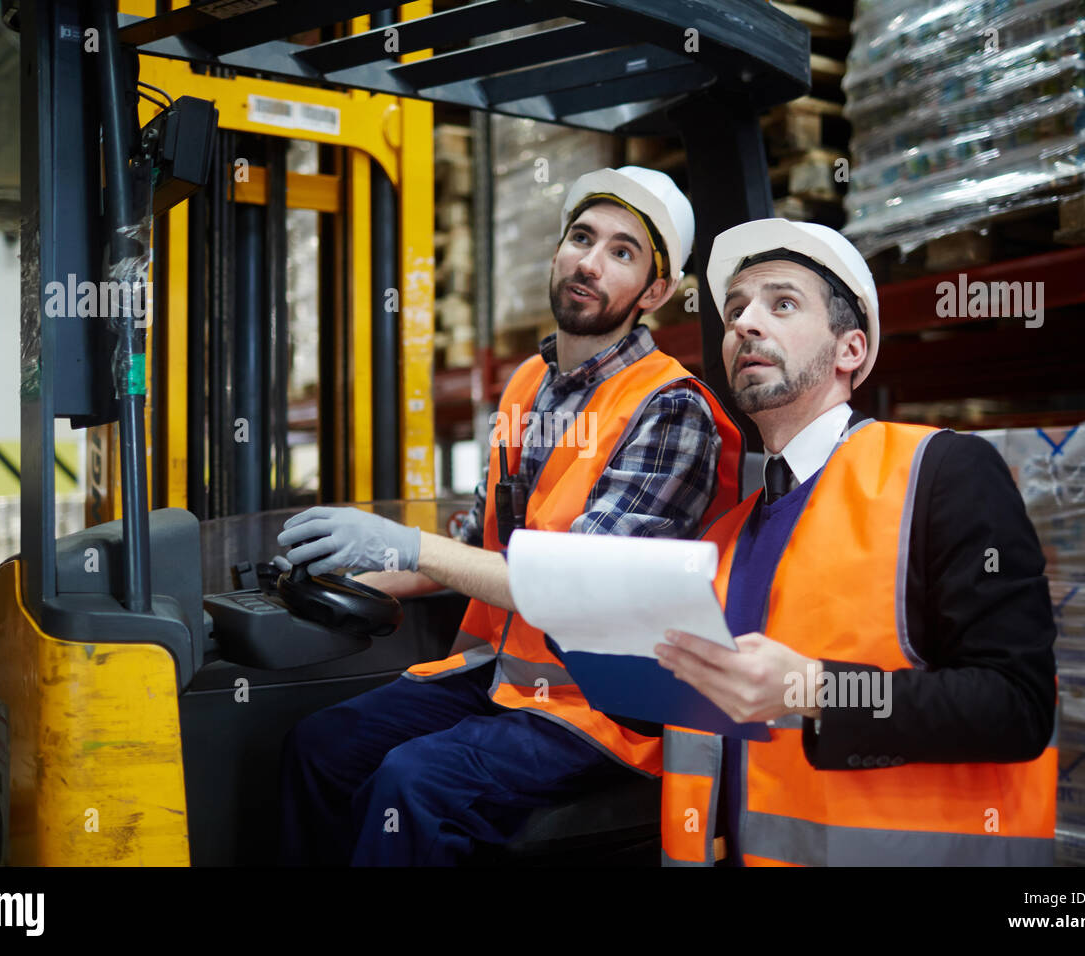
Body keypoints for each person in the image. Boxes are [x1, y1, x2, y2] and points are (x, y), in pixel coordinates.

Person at [278, 166, 744, 866]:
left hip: (610, 707)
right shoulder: (529, 383)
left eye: (622, 252)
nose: (589, 260)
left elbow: (575, 584)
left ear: (652, 292)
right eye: (581, 238)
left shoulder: (670, 410)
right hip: (511, 675)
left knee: (416, 784)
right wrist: (340, 579)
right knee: (322, 746)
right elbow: (476, 544)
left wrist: (404, 544)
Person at [653, 218, 1057, 866]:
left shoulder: (942, 472)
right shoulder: (721, 539)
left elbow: (1016, 705)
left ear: (850, 351)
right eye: (733, 311)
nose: (744, 324)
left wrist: (816, 688)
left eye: (781, 304)